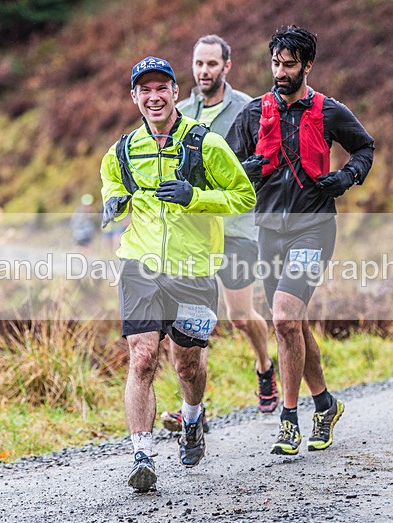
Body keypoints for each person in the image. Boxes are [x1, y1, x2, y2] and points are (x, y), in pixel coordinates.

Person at [100, 56, 255, 491]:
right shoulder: (121, 151)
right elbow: (112, 186)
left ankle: (191, 418)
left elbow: (243, 196)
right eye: (144, 90)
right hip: (140, 265)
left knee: (187, 365)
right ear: (134, 97)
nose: (154, 97)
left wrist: (195, 197)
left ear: (174, 92)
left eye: (161, 88)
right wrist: (113, 203)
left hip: (193, 267)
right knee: (142, 356)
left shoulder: (205, 144)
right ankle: (142, 456)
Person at [227, 26, 375, 455]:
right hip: (269, 231)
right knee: (291, 324)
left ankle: (288, 420)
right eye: (275, 63)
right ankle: (325, 404)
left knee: (284, 319)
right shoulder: (253, 113)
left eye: (289, 65)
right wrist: (244, 172)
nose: (280, 72)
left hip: (314, 228)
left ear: (307, 65)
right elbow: (226, 164)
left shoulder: (330, 111)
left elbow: (364, 147)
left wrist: (347, 176)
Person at [159, 35, 277, 433]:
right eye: (199, 63)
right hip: (193, 230)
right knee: (193, 322)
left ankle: (264, 365)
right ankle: (194, 409)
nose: (204, 71)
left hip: (236, 227)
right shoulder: (181, 111)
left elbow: (265, 162)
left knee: (239, 316)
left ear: (227, 65)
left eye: (212, 64)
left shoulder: (247, 108)